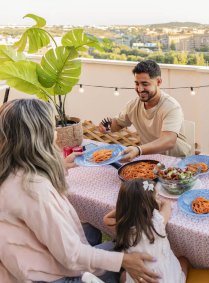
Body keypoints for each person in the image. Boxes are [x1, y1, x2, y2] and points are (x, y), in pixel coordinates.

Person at [0, 99, 160, 283]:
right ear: (39, 137)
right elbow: (71, 255)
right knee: (131, 248)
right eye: (52, 128)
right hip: (50, 276)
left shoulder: (9, 173)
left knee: (90, 230)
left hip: (17, 264)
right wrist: (124, 260)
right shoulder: (34, 190)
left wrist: (61, 166)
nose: (55, 134)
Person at [98, 59, 191, 162]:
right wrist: (107, 127)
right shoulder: (133, 105)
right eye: (137, 84)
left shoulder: (171, 107)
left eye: (145, 84)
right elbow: (118, 124)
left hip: (177, 161)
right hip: (149, 158)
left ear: (158, 82)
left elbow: (169, 141)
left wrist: (138, 150)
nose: (140, 89)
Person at [103, 179, 189, 283]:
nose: (158, 199)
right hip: (163, 278)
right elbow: (167, 204)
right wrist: (157, 201)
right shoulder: (157, 223)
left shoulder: (121, 226)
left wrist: (128, 206)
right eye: (157, 197)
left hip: (139, 277)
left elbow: (106, 218)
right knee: (184, 260)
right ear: (146, 204)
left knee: (124, 276)